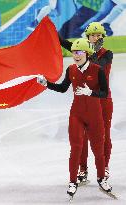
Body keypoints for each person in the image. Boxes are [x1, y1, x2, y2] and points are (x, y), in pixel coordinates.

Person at [36, 38, 112, 199]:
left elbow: (105, 93)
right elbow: (63, 88)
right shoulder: (71, 69)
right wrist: (46, 84)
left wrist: (90, 93)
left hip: (94, 116)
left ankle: (101, 179)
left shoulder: (97, 70)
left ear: (87, 53)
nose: (76, 55)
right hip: (76, 115)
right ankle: (72, 181)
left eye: (79, 52)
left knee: (98, 150)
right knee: (76, 147)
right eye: (74, 53)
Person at [59, 22, 113, 185]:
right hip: (84, 102)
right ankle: (83, 169)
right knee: (81, 138)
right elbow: (67, 44)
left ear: (102, 37)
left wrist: (88, 52)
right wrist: (51, 31)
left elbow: (98, 67)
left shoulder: (107, 54)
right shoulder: (83, 52)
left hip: (102, 101)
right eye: (92, 35)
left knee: (104, 136)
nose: (95, 38)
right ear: (87, 36)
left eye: (98, 35)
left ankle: (104, 168)